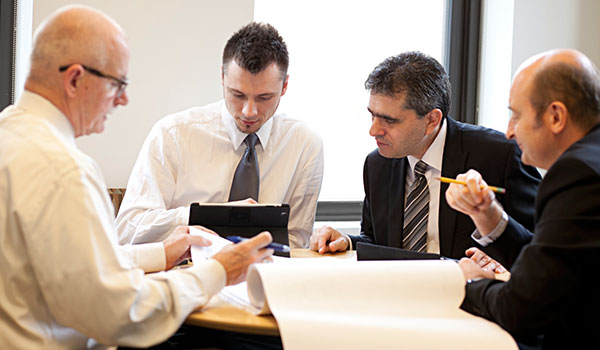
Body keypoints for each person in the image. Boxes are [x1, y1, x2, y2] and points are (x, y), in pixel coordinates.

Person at [0, 6, 273, 349]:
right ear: (74, 79)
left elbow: (72, 267)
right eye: (117, 83)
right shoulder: (63, 171)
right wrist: (216, 271)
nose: (124, 99)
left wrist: (160, 253)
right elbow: (120, 314)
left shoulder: (9, 136)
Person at [310, 51, 540, 268]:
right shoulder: (378, 163)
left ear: (432, 120)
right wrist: (346, 240)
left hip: (473, 296)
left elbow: (537, 244)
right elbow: (377, 240)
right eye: (372, 115)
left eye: (389, 120)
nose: (373, 130)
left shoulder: (499, 155)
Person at [116, 22, 324, 249]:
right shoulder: (173, 135)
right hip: (186, 275)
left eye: (264, 98)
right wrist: (201, 218)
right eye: (238, 95)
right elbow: (127, 230)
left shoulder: (305, 145)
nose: (249, 111)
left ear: (284, 87)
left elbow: (296, 240)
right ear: (222, 78)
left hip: (266, 275)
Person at [447, 49, 600, 349]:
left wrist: (466, 282)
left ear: (556, 116)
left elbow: (521, 308)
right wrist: (489, 216)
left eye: (516, 115)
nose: (508, 132)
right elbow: (556, 266)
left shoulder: (576, 174)